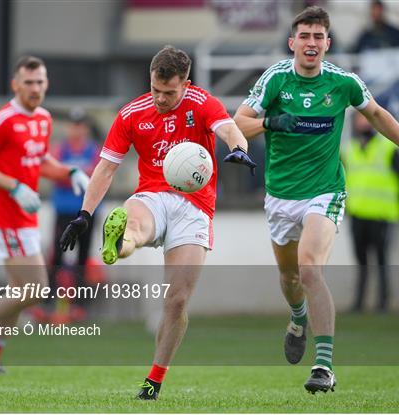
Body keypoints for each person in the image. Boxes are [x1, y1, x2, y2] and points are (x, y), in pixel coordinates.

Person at [233, 6, 399, 394]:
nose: (311, 43)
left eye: (318, 37)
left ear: (328, 43)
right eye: (304, 36)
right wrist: (270, 122)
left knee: (310, 269)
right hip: (280, 196)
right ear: (293, 42)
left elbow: (375, 113)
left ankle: (323, 366)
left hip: (325, 191)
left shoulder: (343, 82)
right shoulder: (275, 80)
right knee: (290, 277)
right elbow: (236, 123)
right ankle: (297, 318)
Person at [59, 45, 256, 400]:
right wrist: (84, 214)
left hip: (195, 208)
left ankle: (154, 380)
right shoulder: (132, 114)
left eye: (169, 92)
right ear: (149, 80)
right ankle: (120, 242)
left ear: (186, 84)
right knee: (134, 227)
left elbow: (228, 129)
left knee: (176, 301)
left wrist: (240, 148)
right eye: (155, 90)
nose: (161, 98)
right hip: (152, 196)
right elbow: (106, 168)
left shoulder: (201, 102)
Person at [0, 56, 90, 374]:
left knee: (20, 293)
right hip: (5, 215)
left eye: (40, 82)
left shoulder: (43, 119)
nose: (35, 88)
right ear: (15, 84)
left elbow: (39, 163)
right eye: (28, 82)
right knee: (36, 289)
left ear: (47, 83)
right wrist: (14, 187)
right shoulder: (3, 120)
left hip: (25, 217)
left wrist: (71, 171)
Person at [344, 112, 399, 313]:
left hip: (381, 214)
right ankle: (359, 303)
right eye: (359, 120)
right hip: (357, 213)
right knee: (361, 260)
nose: (362, 124)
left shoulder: (387, 148)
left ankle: (383, 302)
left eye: (365, 119)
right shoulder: (349, 150)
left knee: (381, 259)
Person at [49, 107, 101, 317]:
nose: (77, 130)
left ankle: (80, 303)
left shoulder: (93, 150)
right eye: (73, 125)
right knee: (57, 254)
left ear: (86, 128)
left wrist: (68, 174)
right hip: (63, 210)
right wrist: (75, 174)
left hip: (86, 212)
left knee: (83, 256)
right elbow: (54, 173)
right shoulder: (60, 149)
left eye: (80, 125)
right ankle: (50, 299)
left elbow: (97, 175)